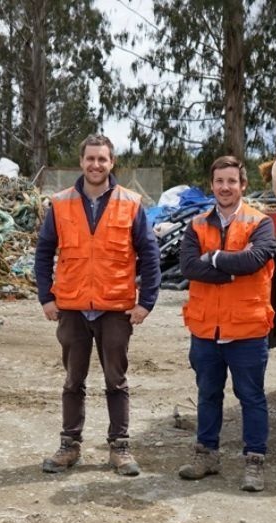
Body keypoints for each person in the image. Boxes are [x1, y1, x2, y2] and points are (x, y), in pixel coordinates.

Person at [35, 134, 160, 476]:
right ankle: (69, 446)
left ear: (112, 162)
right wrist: (46, 296)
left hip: (115, 308)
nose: (96, 165)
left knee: (115, 381)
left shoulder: (131, 203)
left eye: (102, 159)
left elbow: (150, 255)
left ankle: (119, 448)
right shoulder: (60, 204)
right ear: (81, 162)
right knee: (73, 380)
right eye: (90, 159)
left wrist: (146, 302)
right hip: (72, 308)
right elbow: (44, 253)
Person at [177, 155, 276, 492]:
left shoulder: (260, 223)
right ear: (212, 184)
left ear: (243, 185)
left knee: (251, 397)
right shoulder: (197, 225)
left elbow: (255, 259)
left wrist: (217, 259)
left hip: (247, 330)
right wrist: (234, 271)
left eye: (231, 181)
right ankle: (207, 456)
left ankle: (255, 462)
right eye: (219, 181)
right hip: (206, 329)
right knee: (208, 395)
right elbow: (189, 267)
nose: (225, 187)